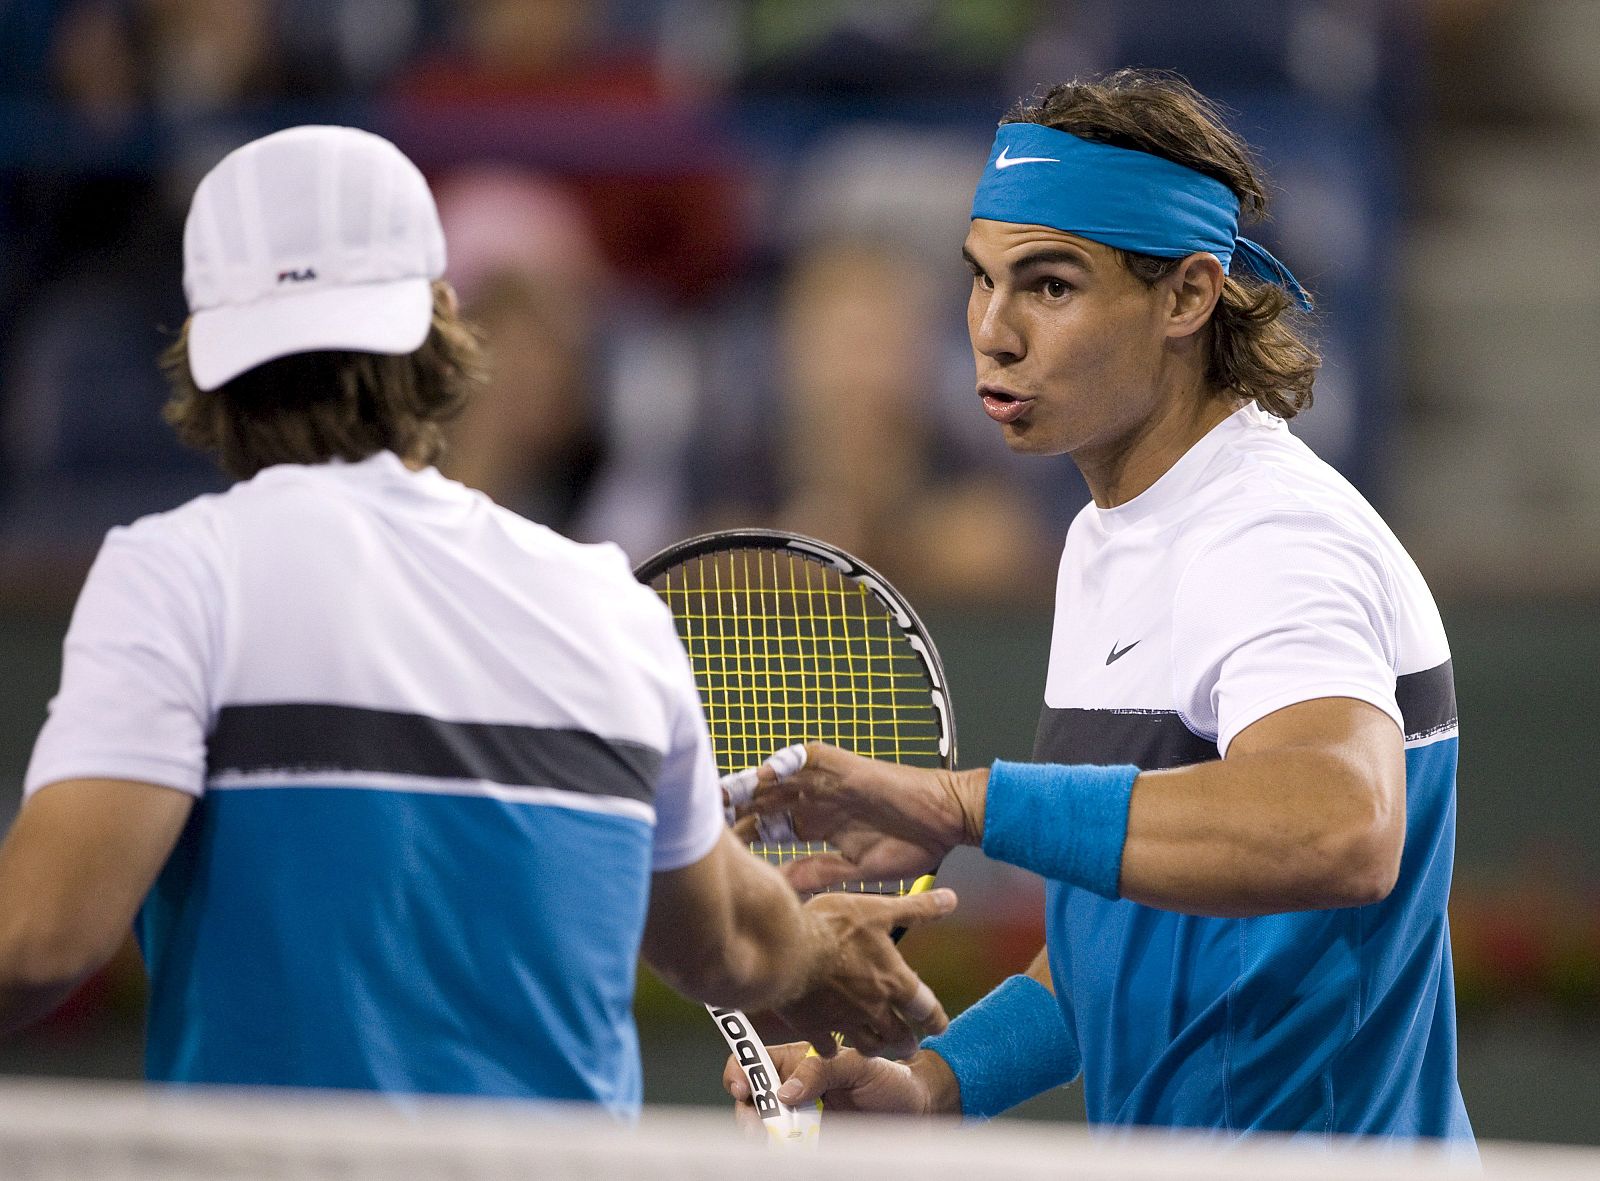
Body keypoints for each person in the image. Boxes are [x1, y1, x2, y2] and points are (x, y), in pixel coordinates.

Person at [0, 125, 954, 1113]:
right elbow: (728, 942)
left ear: (202, 351)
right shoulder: (603, 602)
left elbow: (40, 938)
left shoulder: (175, 574)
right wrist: (809, 947)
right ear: (441, 321)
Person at [726, 70, 1472, 1142]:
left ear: (1187, 295)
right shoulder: (1107, 536)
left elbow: (1342, 826)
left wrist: (960, 804)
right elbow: (1125, 935)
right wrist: (937, 1082)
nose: (992, 330)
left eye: (1051, 285)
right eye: (981, 280)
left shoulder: (1272, 535)